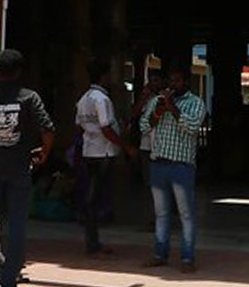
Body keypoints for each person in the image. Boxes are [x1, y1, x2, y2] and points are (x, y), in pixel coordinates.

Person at [0, 48, 55, 287]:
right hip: (19, 168)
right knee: (17, 224)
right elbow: (48, 130)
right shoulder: (29, 99)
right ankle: (8, 281)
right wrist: (44, 153)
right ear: (19, 72)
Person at [140, 62, 206, 272]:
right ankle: (160, 253)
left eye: (177, 81)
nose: (172, 84)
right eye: (170, 81)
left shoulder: (195, 103)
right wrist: (158, 111)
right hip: (158, 164)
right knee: (161, 213)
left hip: (182, 166)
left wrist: (173, 109)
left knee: (186, 214)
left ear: (187, 82)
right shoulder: (157, 101)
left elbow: (192, 126)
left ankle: (187, 258)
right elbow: (143, 126)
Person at [75, 61, 135, 255]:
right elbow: (106, 128)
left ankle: (93, 240)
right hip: (104, 152)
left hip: (89, 150)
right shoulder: (102, 100)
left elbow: (79, 124)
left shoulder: (83, 99)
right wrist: (125, 147)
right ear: (103, 77)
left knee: (92, 196)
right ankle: (92, 243)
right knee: (95, 198)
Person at [131, 64, 166, 228]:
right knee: (148, 184)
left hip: (162, 145)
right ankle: (152, 217)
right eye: (151, 81)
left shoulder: (165, 99)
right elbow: (134, 115)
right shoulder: (146, 99)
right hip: (146, 145)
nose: (154, 84)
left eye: (157, 80)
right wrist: (143, 99)